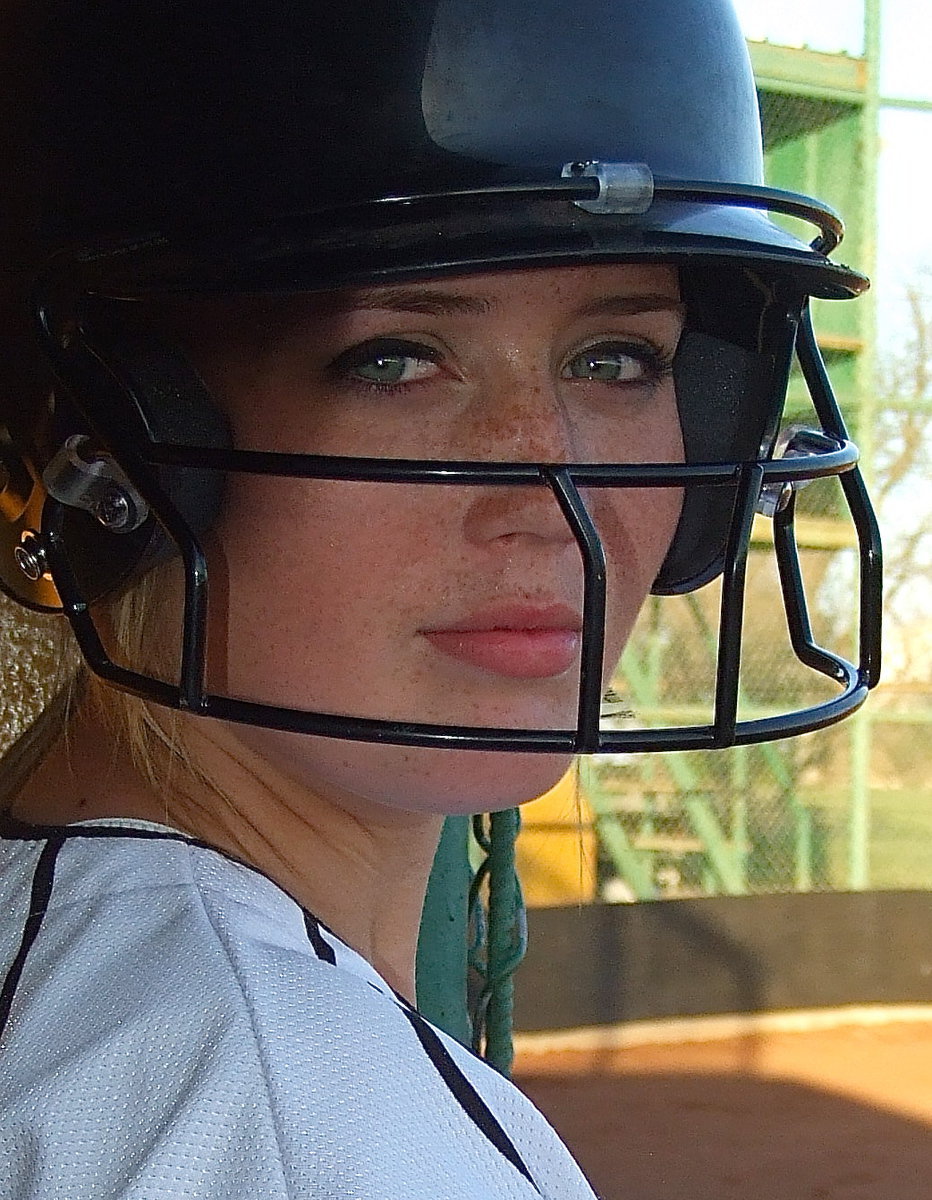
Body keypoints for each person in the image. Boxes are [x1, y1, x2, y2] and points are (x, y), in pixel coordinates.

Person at [0, 0, 880, 1196]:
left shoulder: (98, 977)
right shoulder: (282, 1111)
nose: (551, 490)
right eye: (394, 359)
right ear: (112, 445)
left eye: (616, 359)